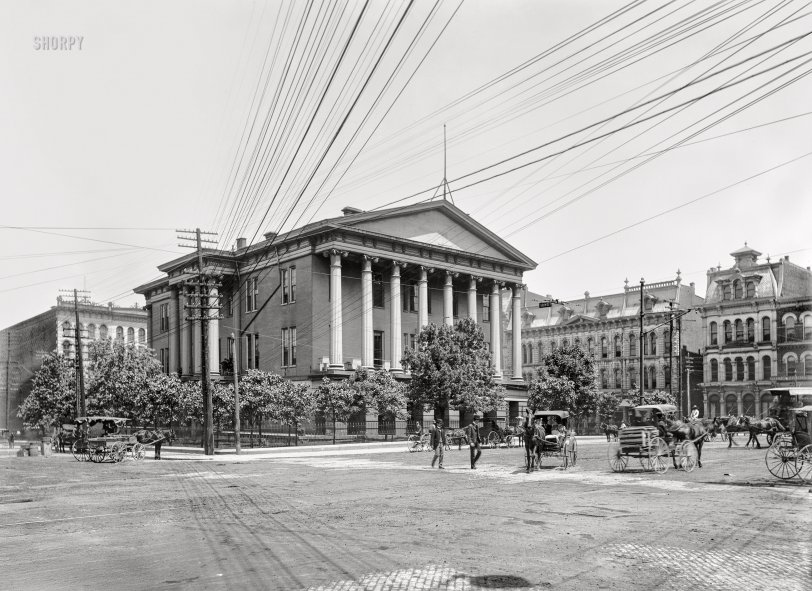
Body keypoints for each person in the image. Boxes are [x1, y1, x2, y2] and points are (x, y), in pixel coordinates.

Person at [522, 408, 534, 472]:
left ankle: (532, 464)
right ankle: (528, 465)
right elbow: (524, 426)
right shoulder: (526, 421)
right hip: (527, 436)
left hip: (532, 435)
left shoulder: (532, 420)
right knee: (528, 451)